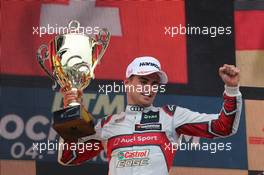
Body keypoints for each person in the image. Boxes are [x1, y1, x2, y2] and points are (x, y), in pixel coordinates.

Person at [57, 56, 242, 175]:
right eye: (143, 81)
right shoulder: (108, 124)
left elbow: (223, 126)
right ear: (127, 83)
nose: (150, 88)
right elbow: (68, 156)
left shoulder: (171, 116)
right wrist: (71, 112)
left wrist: (232, 89)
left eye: (155, 83)